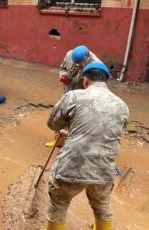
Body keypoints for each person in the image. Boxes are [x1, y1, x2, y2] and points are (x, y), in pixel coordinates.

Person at [45, 63, 129, 230]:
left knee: (58, 205)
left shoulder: (73, 97)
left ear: (85, 80)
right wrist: (72, 133)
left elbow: (52, 123)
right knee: (102, 206)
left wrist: (66, 128)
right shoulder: (122, 106)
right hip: (103, 170)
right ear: (107, 81)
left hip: (71, 167)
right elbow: (102, 134)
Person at [45, 45, 103, 147]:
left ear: (88, 56)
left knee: (76, 121)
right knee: (61, 116)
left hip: (83, 97)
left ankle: (74, 146)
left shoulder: (97, 65)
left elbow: (98, 88)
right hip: (68, 93)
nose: (82, 65)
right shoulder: (69, 56)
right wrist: (62, 75)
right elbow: (63, 68)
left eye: (84, 62)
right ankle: (59, 142)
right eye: (79, 63)